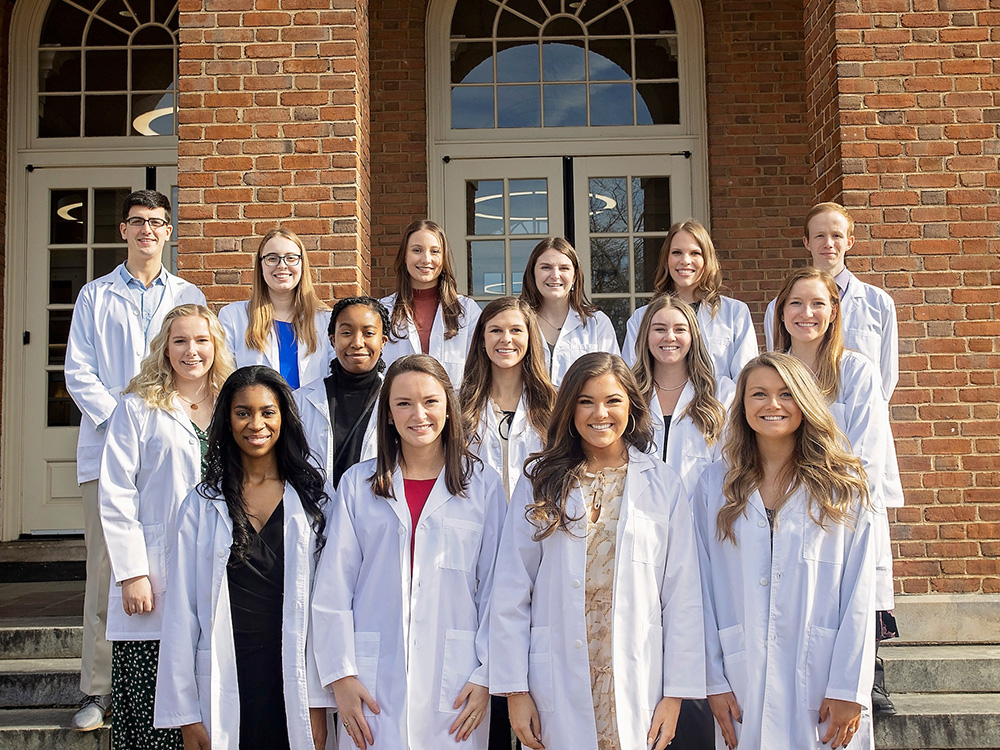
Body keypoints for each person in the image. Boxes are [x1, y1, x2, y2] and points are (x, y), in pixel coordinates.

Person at [490, 352, 705, 750]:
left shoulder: (663, 484)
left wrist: (675, 694)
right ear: (569, 408)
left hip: (636, 681)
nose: (599, 413)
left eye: (613, 401)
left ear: (632, 406)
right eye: (586, 401)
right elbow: (511, 589)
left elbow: (682, 596)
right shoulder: (540, 483)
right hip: (556, 681)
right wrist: (515, 691)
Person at [311, 354, 507, 749]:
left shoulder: (483, 486)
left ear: (449, 408)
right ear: (387, 415)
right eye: (403, 403)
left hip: (458, 683)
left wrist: (486, 674)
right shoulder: (357, 484)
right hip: (370, 684)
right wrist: (341, 677)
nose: (419, 414)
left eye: (431, 401)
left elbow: (497, 590)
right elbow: (333, 589)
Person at [65, 189, 206, 731]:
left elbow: (197, 363)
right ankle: (98, 692)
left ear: (169, 232)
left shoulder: (187, 293)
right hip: (109, 451)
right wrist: (127, 422)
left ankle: (178, 684)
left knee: (180, 568)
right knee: (109, 571)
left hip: (174, 451)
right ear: (122, 230)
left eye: (158, 222)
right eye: (138, 221)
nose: (148, 230)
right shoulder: (93, 297)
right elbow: (79, 373)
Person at [694, 352, 876, 750]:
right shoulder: (714, 486)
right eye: (759, 393)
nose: (772, 405)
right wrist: (714, 680)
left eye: (786, 394)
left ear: (806, 401)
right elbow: (701, 590)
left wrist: (849, 687)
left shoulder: (844, 486)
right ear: (742, 404)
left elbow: (862, 591)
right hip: (741, 681)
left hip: (824, 679)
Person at [154, 366, 331, 750]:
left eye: (268, 412)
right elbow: (181, 611)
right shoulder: (202, 505)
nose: (256, 424)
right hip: (226, 671)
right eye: (242, 412)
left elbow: (328, 609)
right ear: (227, 420)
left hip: (294, 674)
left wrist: (318, 702)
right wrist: (186, 714)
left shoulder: (316, 501)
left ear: (284, 417)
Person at [99, 304, 234, 749]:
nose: (191, 351)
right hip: (156, 574)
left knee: (213, 698)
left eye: (201, 340)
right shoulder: (137, 407)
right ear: (165, 348)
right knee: (152, 713)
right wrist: (133, 572)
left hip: (223, 563)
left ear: (216, 345)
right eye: (180, 340)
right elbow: (117, 492)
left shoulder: (234, 405)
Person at [771, 266, 901, 717]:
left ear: (833, 312)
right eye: (796, 303)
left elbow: (866, 453)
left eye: (817, 304)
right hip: (776, 515)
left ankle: (862, 682)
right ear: (781, 313)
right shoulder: (770, 371)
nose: (806, 313)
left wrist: (823, 498)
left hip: (836, 514)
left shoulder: (856, 370)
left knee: (840, 611)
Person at [764, 202, 898, 401]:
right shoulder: (779, 307)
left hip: (861, 418)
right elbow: (778, 367)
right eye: (819, 235)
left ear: (850, 242)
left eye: (836, 235)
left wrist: (866, 412)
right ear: (806, 242)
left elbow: (888, 375)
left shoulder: (878, 304)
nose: (828, 243)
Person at [622, 220, 757, 380]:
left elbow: (746, 377)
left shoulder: (735, 313)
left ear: (707, 259)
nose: (685, 261)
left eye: (695, 253)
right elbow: (632, 378)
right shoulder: (641, 317)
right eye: (677, 252)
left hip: (721, 404)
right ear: (666, 259)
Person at [631, 293, 734, 495]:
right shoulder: (628, 393)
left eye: (680, 329)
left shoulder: (721, 393)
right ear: (646, 335)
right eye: (659, 329)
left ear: (693, 337)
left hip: (701, 519)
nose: (669, 337)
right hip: (640, 517)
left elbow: (730, 466)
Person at [460, 296, 555, 499]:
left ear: (530, 338)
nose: (506, 339)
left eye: (516, 330)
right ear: (482, 341)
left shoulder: (553, 402)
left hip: (534, 523)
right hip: (477, 524)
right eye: (495, 330)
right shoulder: (460, 404)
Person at [219, 227, 333, 390]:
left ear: (302, 264)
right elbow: (224, 377)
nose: (282, 265)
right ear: (261, 265)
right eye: (272, 258)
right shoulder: (233, 317)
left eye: (291, 258)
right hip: (257, 414)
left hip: (313, 414)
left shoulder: (326, 319)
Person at [295, 296, 389, 489]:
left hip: (376, 509)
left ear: (383, 341)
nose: (357, 342)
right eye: (346, 332)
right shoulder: (301, 401)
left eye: (368, 333)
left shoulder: (396, 401)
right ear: (333, 339)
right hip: (315, 512)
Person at [379, 219, 482, 387]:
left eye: (435, 251)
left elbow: (480, 368)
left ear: (443, 258)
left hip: (454, 410)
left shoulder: (468, 310)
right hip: (398, 410)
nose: (426, 259)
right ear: (404, 256)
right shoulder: (383, 309)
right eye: (417, 250)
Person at [519, 237, 620, 388]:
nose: (555, 275)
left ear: (575, 277)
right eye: (546, 267)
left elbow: (614, 379)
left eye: (564, 268)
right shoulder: (517, 320)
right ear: (533, 274)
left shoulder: (597, 323)